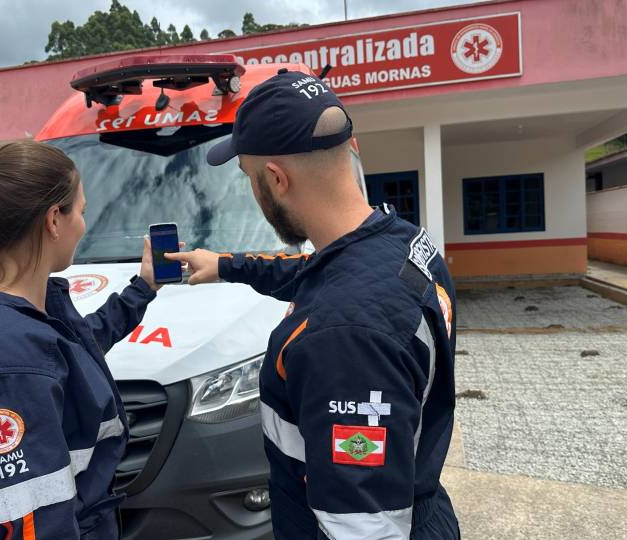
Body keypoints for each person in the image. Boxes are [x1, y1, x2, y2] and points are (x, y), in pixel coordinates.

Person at [166, 70, 460, 539]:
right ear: (350, 148)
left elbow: (364, 529)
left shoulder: (343, 337)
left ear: (276, 179)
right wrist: (224, 265)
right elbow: (316, 273)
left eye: (250, 178)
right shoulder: (401, 241)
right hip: (421, 504)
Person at [0, 141, 168, 539]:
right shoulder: (9, 358)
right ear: (53, 220)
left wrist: (144, 287)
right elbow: (32, 522)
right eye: (81, 211)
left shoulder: (23, 317)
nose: (83, 224)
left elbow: (83, 344)